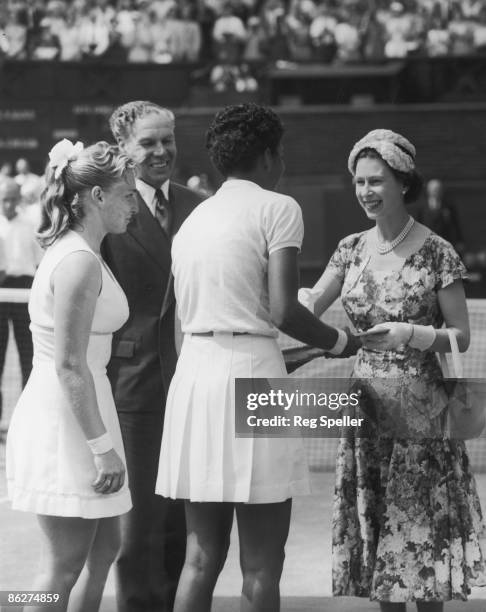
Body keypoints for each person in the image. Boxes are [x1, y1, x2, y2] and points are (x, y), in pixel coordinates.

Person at [155, 103, 360, 612]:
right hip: (254, 378)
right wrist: (340, 343)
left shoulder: (192, 221)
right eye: (282, 152)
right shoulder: (278, 206)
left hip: (195, 378)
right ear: (268, 156)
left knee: (199, 558)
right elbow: (286, 310)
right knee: (263, 565)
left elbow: (194, 323)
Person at [299, 129, 486, 610]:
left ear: (403, 183)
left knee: (420, 538)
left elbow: (461, 336)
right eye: (359, 182)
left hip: (422, 410)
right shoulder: (349, 249)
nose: (365, 192)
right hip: (365, 408)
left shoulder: (437, 251)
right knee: (380, 529)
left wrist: (413, 333)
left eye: (376, 181)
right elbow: (308, 308)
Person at [6, 139, 138, 612]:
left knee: (104, 550)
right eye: (127, 194)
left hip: (84, 407)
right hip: (68, 420)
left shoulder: (81, 251)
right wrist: (102, 448)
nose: (134, 204)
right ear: (97, 197)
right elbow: (68, 364)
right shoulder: (78, 260)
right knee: (61, 567)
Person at [101, 100, 204, 612]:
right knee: (136, 530)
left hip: (195, 384)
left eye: (168, 141)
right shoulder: (106, 209)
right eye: (148, 143)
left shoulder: (198, 205)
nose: (161, 152)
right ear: (123, 148)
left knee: (181, 525)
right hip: (132, 385)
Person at [0, 178, 42, 425]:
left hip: (26, 289)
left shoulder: (30, 225)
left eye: (12, 199)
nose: (7, 204)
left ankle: (28, 421)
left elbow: (38, 263)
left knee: (30, 356)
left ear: (19, 200)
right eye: (3, 199)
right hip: (1, 290)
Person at [417, 178, 464, 254]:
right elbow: (418, 224)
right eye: (434, 189)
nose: (436, 192)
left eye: (438, 189)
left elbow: (455, 225)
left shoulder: (448, 206)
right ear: (429, 190)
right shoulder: (422, 207)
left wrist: (459, 240)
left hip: (445, 243)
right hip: (427, 243)